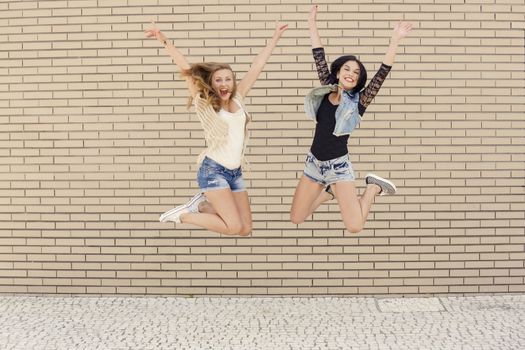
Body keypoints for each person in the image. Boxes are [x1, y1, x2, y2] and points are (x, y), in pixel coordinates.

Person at [145, 21, 288, 236]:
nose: (224, 83)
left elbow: (258, 66)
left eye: (228, 79)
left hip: (235, 172)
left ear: (233, 82)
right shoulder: (205, 105)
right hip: (213, 171)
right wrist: (163, 39)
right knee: (233, 226)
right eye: (218, 80)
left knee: (245, 228)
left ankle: (202, 205)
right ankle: (184, 214)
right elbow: (186, 69)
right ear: (212, 83)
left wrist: (275, 38)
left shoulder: (239, 98)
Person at [290, 5, 412, 233]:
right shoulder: (326, 89)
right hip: (314, 164)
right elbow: (318, 53)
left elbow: (382, 73)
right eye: (347, 69)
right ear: (337, 72)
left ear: (358, 80)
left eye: (356, 73)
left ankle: (373, 189)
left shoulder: (360, 101)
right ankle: (329, 193)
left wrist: (395, 39)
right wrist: (311, 24)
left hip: (338, 167)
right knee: (297, 217)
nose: (351, 74)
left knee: (355, 226)